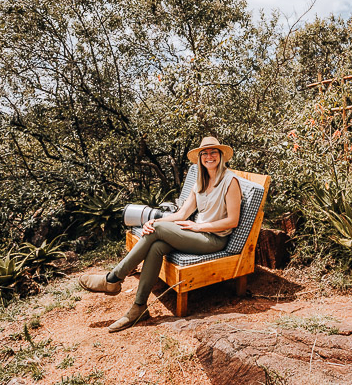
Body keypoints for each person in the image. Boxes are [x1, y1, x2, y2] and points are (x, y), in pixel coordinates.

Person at [79, 136, 242, 332]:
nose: (209, 156)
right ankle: (139, 307)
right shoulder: (200, 180)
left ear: (221, 155)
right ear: (199, 158)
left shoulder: (230, 181)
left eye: (213, 152)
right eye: (204, 153)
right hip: (196, 234)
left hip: (214, 239)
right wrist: (154, 221)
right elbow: (182, 214)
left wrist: (199, 227)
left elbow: (232, 221)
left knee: (157, 232)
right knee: (156, 247)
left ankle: (113, 279)